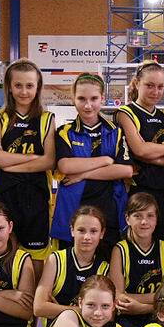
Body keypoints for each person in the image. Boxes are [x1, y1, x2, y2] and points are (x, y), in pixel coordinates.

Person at [0, 58, 56, 280]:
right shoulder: (0, 117)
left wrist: (9, 162)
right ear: (9, 87)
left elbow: (49, 161)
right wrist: (33, 158)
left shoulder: (46, 119)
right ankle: (9, 297)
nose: (24, 91)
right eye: (18, 85)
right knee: (5, 252)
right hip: (4, 194)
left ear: (38, 87)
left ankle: (34, 301)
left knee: (37, 256)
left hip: (36, 196)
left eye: (29, 85)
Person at [51, 73, 132, 260]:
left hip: (110, 212)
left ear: (102, 98)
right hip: (72, 211)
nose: (88, 105)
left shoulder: (116, 131)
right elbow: (65, 165)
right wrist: (105, 160)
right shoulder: (65, 132)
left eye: (94, 98)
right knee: (71, 267)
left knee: (108, 267)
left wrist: (82, 174)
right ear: (73, 99)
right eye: (81, 99)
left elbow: (125, 170)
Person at [116, 61, 164, 243]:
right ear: (136, 83)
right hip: (140, 190)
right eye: (149, 85)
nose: (155, 91)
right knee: (139, 243)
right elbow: (140, 149)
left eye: (160, 87)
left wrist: (151, 156)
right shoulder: (125, 113)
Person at [34, 206, 110, 327]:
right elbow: (39, 307)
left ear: (102, 233)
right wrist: (82, 311)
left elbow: (109, 315)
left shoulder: (105, 269)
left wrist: (57, 308)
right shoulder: (56, 260)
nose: (87, 237)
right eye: (81, 230)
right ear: (72, 230)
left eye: (93, 231)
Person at [110, 192, 164, 327]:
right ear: (127, 219)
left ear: (156, 219)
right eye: (138, 216)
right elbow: (119, 297)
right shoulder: (120, 250)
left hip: (160, 319)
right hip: (127, 321)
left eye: (150, 216)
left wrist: (142, 308)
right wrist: (159, 299)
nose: (144, 222)